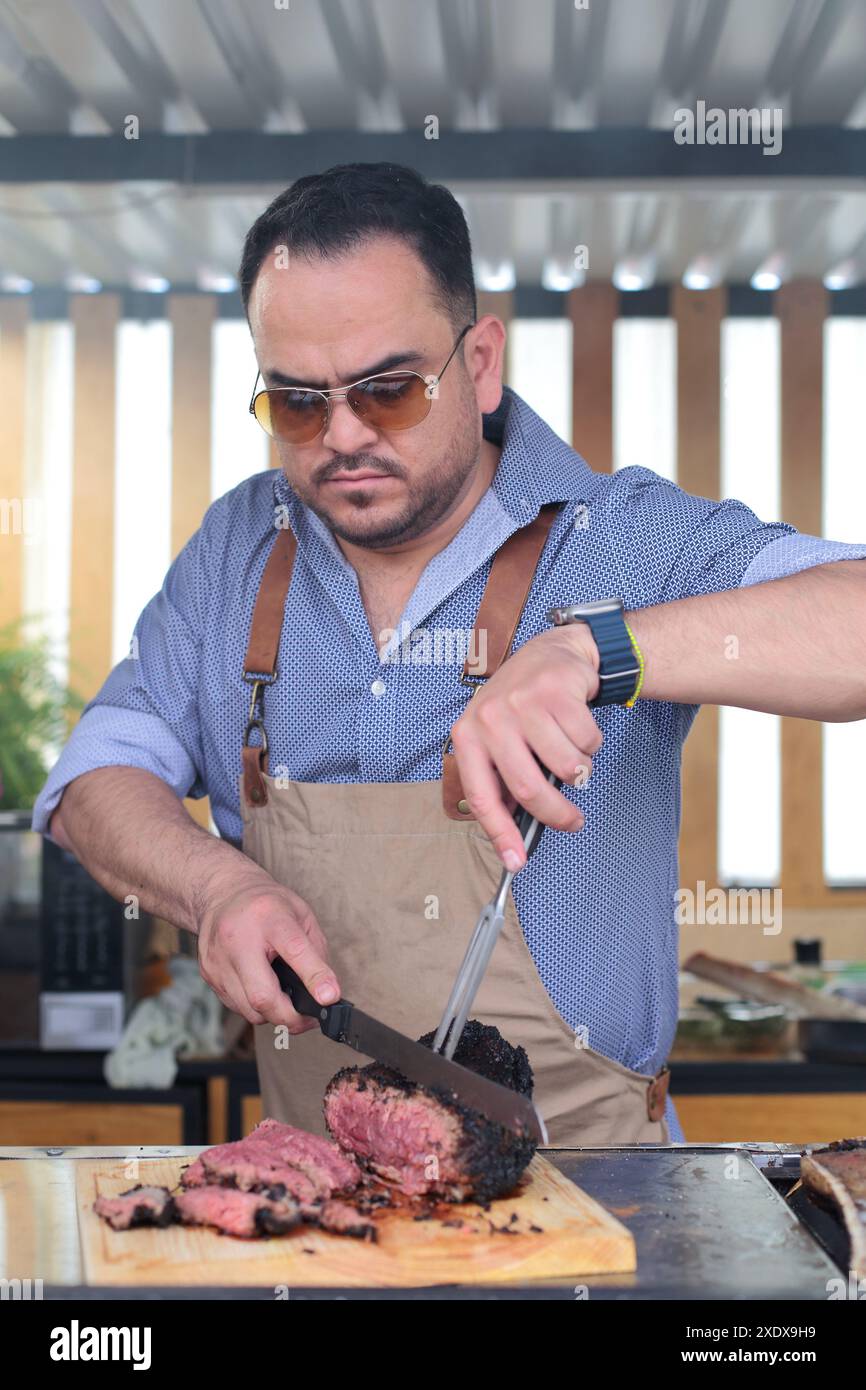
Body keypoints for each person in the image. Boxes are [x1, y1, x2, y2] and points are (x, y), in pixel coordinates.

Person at [33, 162, 866, 1145]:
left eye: (386, 389)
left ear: (478, 362)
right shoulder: (236, 553)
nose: (340, 437)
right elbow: (92, 785)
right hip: (321, 1219)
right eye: (297, 402)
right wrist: (218, 889)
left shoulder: (621, 537)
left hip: (604, 1213)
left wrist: (597, 649)